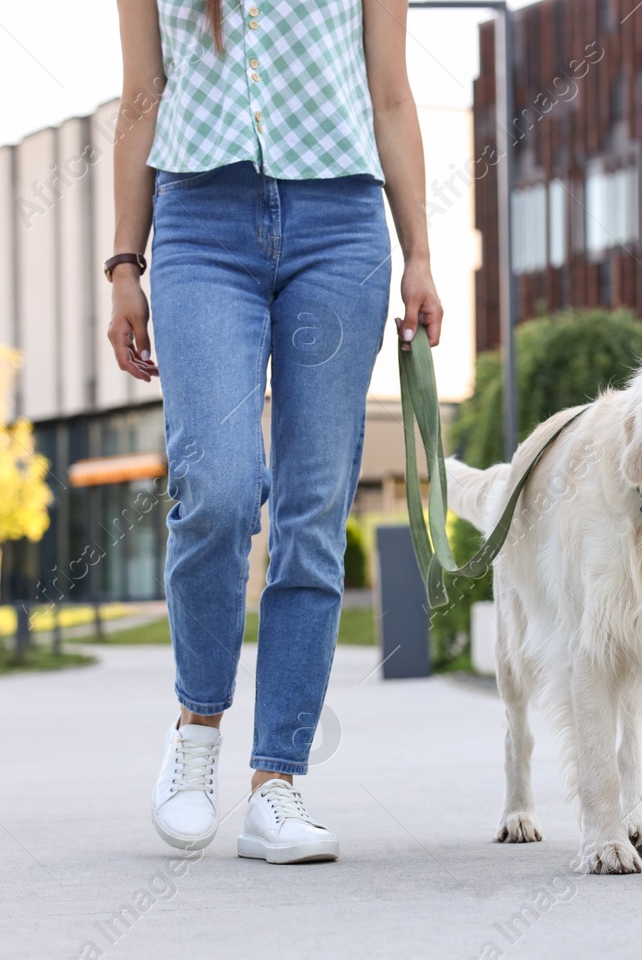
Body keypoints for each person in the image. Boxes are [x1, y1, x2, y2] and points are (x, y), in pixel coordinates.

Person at [106, 0, 442, 862]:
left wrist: (422, 256)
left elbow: (391, 97)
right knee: (217, 487)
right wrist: (123, 265)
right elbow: (142, 97)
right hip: (200, 227)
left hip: (340, 230)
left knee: (312, 509)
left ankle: (276, 782)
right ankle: (196, 734)